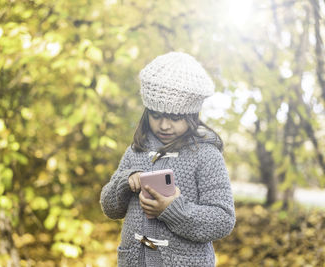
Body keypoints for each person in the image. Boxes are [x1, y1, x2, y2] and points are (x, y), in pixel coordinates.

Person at [100, 51, 235, 267]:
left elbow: (223, 220)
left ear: (191, 115)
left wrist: (173, 210)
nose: (164, 125)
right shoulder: (136, 150)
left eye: (174, 117)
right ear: (147, 111)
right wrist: (125, 181)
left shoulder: (206, 156)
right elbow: (109, 208)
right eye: (156, 115)